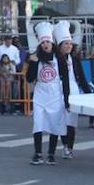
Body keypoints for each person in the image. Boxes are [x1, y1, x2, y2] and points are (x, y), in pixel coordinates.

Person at [25, 22, 69, 166]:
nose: (46, 44)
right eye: (43, 42)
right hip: (40, 95)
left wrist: (67, 99)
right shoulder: (35, 58)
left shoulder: (59, 59)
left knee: (54, 124)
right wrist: (32, 64)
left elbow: (65, 79)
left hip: (56, 95)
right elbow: (29, 79)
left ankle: (51, 154)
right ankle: (37, 153)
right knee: (38, 123)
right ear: (39, 44)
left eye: (48, 42)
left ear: (52, 43)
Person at [60, 34, 94, 159]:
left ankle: (70, 148)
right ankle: (64, 146)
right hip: (59, 91)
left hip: (73, 91)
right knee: (62, 122)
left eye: (70, 43)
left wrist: (88, 93)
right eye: (66, 43)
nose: (68, 46)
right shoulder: (56, 60)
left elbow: (82, 78)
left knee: (72, 123)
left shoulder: (74, 60)